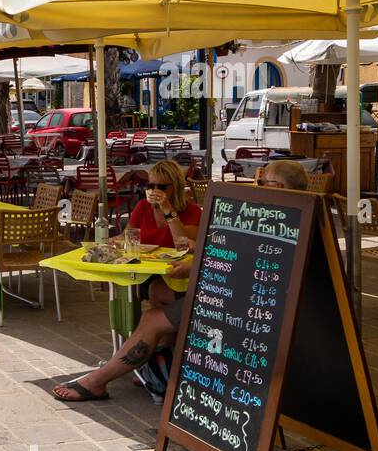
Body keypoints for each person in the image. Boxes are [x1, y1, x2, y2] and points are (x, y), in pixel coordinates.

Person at [51, 159, 308, 403]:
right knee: (158, 290)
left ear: (280, 188)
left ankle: (98, 381)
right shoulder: (275, 217)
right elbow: (231, 255)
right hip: (226, 293)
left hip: (240, 307)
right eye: (150, 186)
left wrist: (194, 262)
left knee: (152, 319)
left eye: (264, 183)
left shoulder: (285, 222)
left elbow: (244, 267)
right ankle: (157, 364)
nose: (258, 187)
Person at [126, 160, 202, 311]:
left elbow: (183, 242)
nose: (155, 191)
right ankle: (133, 329)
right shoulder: (143, 206)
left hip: (176, 274)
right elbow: (127, 236)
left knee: (154, 290)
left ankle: (157, 328)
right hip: (146, 270)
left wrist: (167, 209)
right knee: (125, 288)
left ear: (176, 187)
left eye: (161, 187)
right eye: (151, 186)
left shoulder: (192, 211)